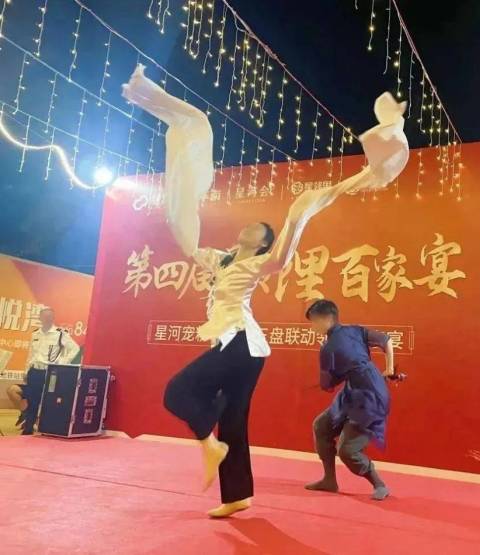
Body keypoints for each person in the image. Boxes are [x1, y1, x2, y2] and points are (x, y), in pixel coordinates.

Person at [122, 65, 408, 518]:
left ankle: (208, 443)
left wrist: (311, 205)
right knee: (233, 417)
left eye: (258, 228)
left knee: (177, 391)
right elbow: (187, 238)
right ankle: (237, 494)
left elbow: (287, 242)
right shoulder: (218, 258)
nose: (249, 227)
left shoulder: (261, 262)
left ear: (263, 243)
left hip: (243, 342)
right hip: (237, 344)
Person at [304, 299, 395, 500]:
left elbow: (327, 385)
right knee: (321, 425)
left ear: (326, 319)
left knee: (347, 450)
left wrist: (330, 373)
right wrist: (389, 369)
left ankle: (379, 484)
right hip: (358, 391)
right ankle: (329, 480)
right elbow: (386, 340)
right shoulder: (355, 330)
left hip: (369, 399)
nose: (312, 327)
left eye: (314, 322)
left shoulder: (328, 348)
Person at [6, 307, 80, 435]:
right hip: (34, 371)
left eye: (50, 316)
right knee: (31, 399)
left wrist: (62, 362)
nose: (47, 318)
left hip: (50, 373)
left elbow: (75, 348)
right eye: (45, 316)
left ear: (53, 318)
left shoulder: (60, 333)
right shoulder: (35, 334)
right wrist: (26, 371)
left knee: (47, 400)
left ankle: (41, 426)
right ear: (40, 318)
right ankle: (28, 427)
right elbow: (31, 354)